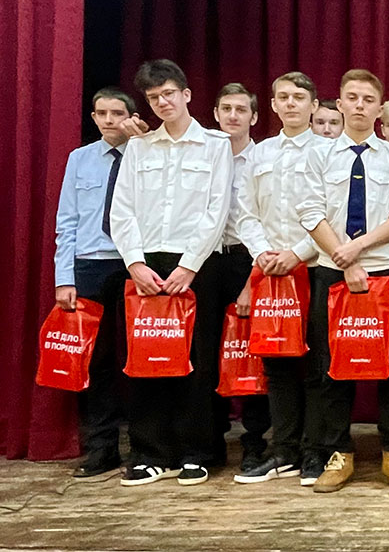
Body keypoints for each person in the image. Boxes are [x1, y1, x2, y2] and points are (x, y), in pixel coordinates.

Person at [296, 69, 389, 493]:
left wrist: (357, 249)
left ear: (379, 108)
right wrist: (343, 260)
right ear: (339, 104)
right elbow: (309, 212)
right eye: (352, 97)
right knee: (331, 368)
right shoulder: (318, 155)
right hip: (332, 273)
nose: (359, 105)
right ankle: (339, 453)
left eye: (368, 99)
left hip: (383, 273)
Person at [110, 59, 234, 486]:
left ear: (186, 94)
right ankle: (151, 453)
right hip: (146, 265)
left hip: (197, 265)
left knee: (196, 361)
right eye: (153, 97)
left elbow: (217, 209)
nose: (163, 102)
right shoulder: (139, 148)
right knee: (148, 359)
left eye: (168, 94)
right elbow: (122, 209)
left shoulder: (215, 145)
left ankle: (197, 451)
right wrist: (134, 262)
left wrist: (188, 265)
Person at [233, 71, 323, 486]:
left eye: (299, 97)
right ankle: (284, 450)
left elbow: (333, 212)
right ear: (272, 105)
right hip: (271, 271)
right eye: (283, 97)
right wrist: (264, 254)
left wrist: (297, 253)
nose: (291, 103)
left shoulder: (329, 151)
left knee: (317, 363)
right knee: (279, 364)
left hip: (316, 267)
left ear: (314, 106)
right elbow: (245, 212)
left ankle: (316, 450)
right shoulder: (260, 154)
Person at [54, 88, 136, 478]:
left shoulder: (145, 154)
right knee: (97, 361)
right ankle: (102, 448)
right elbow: (66, 221)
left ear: (132, 117)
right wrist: (64, 277)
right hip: (90, 264)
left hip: (135, 263)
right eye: (101, 113)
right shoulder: (80, 159)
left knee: (143, 355)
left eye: (117, 113)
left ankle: (146, 447)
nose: (108, 120)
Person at [209, 83, 272, 474]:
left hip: (248, 261)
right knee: (208, 353)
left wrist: (253, 278)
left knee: (254, 352)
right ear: (216, 114)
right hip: (204, 261)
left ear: (254, 116)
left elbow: (266, 221)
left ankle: (254, 443)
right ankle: (210, 441)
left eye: (241, 109)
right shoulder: (202, 155)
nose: (233, 115)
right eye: (226, 108)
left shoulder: (262, 159)